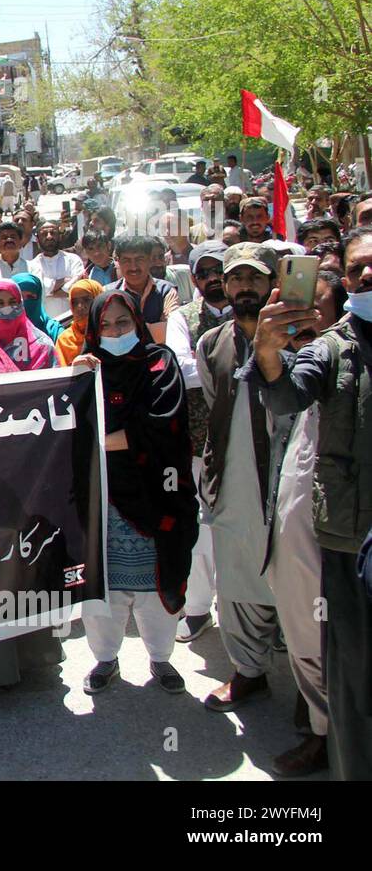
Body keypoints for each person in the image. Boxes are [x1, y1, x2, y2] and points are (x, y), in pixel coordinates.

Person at [243, 225, 372, 779]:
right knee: (356, 686)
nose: (367, 274)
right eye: (357, 267)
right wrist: (269, 355)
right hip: (349, 545)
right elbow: (287, 390)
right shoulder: (335, 349)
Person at [74, 290, 198, 696]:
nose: (114, 332)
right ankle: (105, 659)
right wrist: (74, 381)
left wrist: (104, 442)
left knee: (152, 585)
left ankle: (161, 659)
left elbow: (162, 425)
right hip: (103, 500)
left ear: (137, 323)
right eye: (105, 325)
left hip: (155, 495)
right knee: (105, 589)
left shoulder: (160, 362)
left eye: (123, 323)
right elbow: (67, 427)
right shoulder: (86, 369)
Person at [259, 271, 344, 777]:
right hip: (292, 533)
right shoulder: (287, 365)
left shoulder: (349, 357)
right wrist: (269, 350)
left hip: (346, 533)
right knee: (306, 634)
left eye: (317, 311)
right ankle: (321, 730)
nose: (304, 321)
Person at [196, 244, 285, 714]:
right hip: (233, 477)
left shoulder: (302, 335)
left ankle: (314, 691)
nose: (244, 288)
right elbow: (216, 409)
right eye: (236, 279)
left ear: (273, 283)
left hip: (288, 479)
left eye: (255, 278)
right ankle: (249, 672)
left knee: (296, 578)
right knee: (236, 578)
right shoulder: (212, 344)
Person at [163, 241, 233, 644]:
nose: (213, 278)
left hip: (247, 440)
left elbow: (196, 368)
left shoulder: (252, 311)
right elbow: (181, 369)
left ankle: (255, 611)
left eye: (220, 270)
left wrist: (205, 364)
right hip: (197, 442)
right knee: (201, 532)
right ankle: (199, 609)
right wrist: (239, 364)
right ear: (194, 278)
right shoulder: (184, 317)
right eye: (204, 272)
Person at [106, 236, 180, 344]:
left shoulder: (166, 291)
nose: (133, 267)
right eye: (126, 260)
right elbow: (106, 333)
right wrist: (153, 329)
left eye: (139, 259)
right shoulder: (107, 293)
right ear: (118, 262)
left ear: (150, 260)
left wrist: (125, 331)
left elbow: (172, 329)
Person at [0, 280, 57, 372]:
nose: (7, 309)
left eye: (12, 302)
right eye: (0, 303)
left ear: (20, 304)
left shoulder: (42, 345)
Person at [29, 221, 85, 320]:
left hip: (72, 320)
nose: (49, 237)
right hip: (45, 324)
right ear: (37, 240)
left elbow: (78, 289)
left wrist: (49, 291)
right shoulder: (32, 265)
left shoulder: (73, 259)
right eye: (44, 234)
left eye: (53, 233)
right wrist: (63, 282)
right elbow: (38, 290)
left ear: (59, 236)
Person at [53, 279, 103, 367]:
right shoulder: (65, 340)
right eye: (74, 302)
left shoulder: (111, 332)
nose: (80, 307)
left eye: (87, 300)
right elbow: (60, 375)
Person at [14, 272, 64, 343]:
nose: (25, 303)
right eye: (20, 298)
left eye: (30, 297)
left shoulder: (54, 331)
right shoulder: (3, 333)